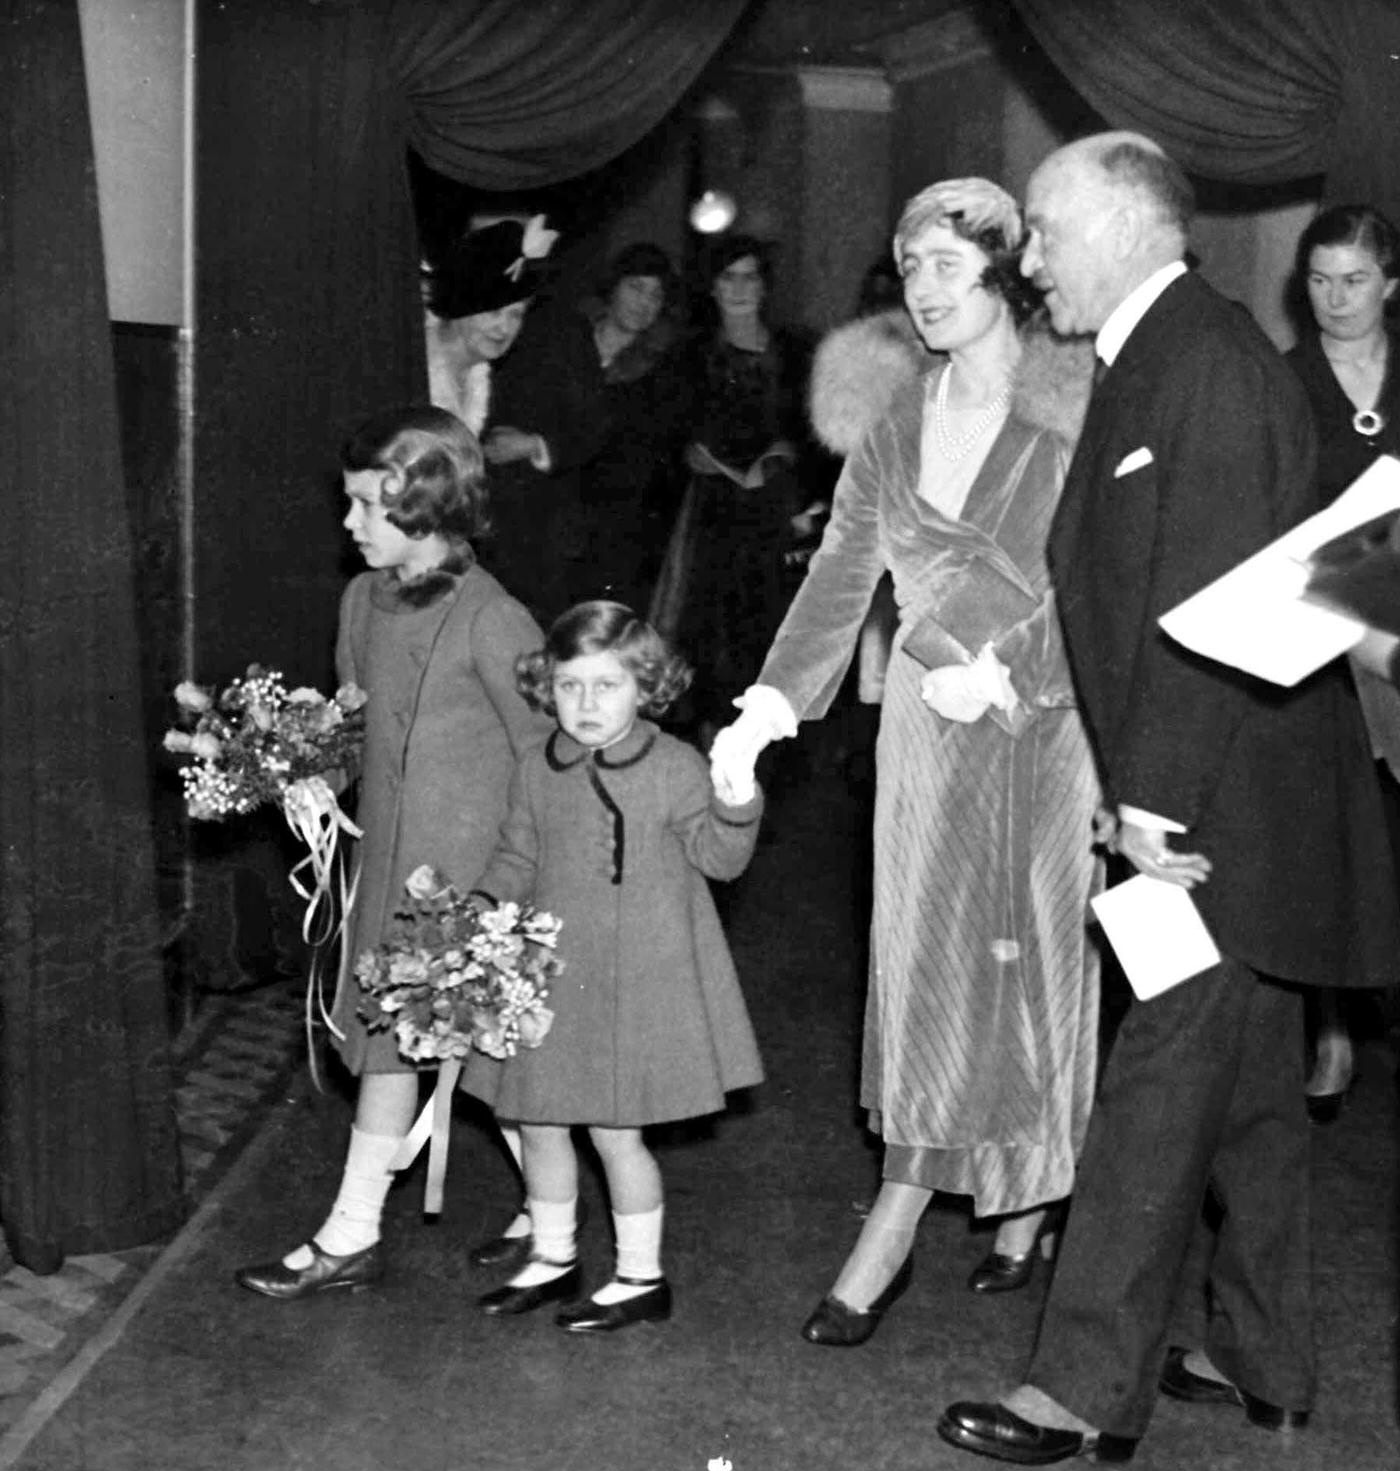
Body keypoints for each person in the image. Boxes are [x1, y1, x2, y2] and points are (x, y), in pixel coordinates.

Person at [937, 132, 1400, 1467]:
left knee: (1155, 1082)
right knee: (1251, 1088)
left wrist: (1152, 808)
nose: (1031, 260)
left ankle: (1080, 1388)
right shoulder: (1163, 358)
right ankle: (1268, 1360)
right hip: (1227, 793)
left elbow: (1201, 619)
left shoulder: (1203, 364)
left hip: (1219, 807)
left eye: (1044, 230)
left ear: (1133, 225)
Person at [710, 177, 1101, 1342]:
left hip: (1040, 722)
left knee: (1027, 964)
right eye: (909, 267)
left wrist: (1017, 670)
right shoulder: (893, 419)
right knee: (928, 965)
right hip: (929, 728)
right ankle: (905, 1208)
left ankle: (1027, 1186)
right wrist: (766, 709)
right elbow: (839, 575)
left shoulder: (1075, 412)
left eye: (946, 265)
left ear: (1004, 274)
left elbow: (1106, 579)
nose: (922, 290)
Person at [234, 405, 547, 1299]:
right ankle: (352, 1232)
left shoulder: (496, 620)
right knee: (383, 1044)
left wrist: (510, 891)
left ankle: (551, 1221)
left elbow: (546, 760)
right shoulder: (360, 600)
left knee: (495, 1062)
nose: (348, 523)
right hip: (391, 877)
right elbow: (355, 720)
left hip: (472, 886)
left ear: (430, 507)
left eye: (368, 506)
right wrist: (309, 776)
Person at [459, 601, 764, 1332]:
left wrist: (736, 801)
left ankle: (639, 1275)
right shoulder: (539, 766)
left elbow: (722, 862)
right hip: (553, 976)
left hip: (637, 981)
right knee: (536, 1120)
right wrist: (474, 908)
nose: (587, 704)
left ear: (646, 687)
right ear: (547, 688)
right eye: (569, 687)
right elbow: (518, 854)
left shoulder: (674, 766)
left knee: (615, 1134)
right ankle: (555, 1257)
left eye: (607, 686)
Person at [1286, 203, 1400, 1122]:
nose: (1336, 298)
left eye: (1354, 279)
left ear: (1391, 283)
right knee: (1331, 830)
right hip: (1327, 632)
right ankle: (1327, 1019)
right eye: (1319, 279)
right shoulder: (1285, 382)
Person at [653, 233, 826, 739]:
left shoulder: (796, 352)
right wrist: (692, 455)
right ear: (711, 286)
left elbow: (814, 430)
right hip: (709, 512)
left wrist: (794, 477)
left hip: (776, 511)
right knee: (707, 635)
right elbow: (669, 430)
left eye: (751, 276)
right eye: (729, 276)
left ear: (766, 286)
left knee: (768, 631)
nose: (740, 287)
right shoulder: (689, 355)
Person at [425, 217, 609, 622]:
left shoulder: (479, 377)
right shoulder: (412, 369)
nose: (504, 327)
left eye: (516, 314)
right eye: (493, 311)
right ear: (461, 305)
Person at [577, 243, 689, 611]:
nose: (645, 302)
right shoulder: (568, 345)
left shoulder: (661, 369)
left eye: (656, 294)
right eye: (636, 288)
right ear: (613, 287)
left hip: (619, 528)